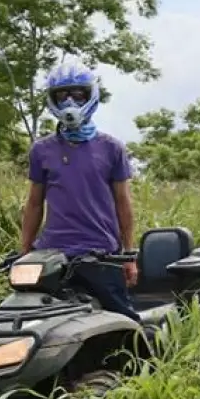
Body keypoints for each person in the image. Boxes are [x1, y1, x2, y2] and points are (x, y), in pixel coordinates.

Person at [19, 61, 141, 322]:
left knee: (121, 321)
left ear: (90, 96)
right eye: (62, 95)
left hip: (101, 254)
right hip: (51, 255)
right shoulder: (42, 150)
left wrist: (128, 255)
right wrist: (25, 250)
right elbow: (34, 204)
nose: (69, 102)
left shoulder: (111, 148)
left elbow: (123, 203)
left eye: (77, 94)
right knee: (33, 320)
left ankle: (149, 362)